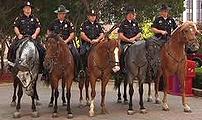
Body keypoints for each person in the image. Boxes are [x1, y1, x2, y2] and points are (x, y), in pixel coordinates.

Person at [7, 1, 45, 74]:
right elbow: (15, 27)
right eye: (26, 8)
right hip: (22, 37)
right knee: (12, 47)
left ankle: (42, 67)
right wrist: (18, 34)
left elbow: (38, 28)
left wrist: (35, 34)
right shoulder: (19, 18)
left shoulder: (35, 18)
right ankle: (11, 65)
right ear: (23, 9)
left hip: (32, 38)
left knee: (42, 49)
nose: (28, 9)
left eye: (29, 8)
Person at [47, 5, 80, 80]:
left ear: (65, 14)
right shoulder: (53, 23)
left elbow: (72, 34)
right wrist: (52, 38)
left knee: (76, 54)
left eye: (62, 13)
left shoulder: (68, 23)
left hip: (67, 43)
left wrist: (66, 41)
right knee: (47, 55)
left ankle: (76, 72)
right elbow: (49, 31)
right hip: (55, 44)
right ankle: (46, 73)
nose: (60, 15)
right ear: (57, 14)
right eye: (59, 14)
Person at [151, 4, 177, 91]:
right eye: (164, 11)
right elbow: (153, 29)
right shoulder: (158, 20)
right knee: (154, 51)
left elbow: (175, 29)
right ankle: (154, 64)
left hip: (169, 40)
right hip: (159, 39)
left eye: (166, 11)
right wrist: (160, 31)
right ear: (161, 12)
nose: (165, 13)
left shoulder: (171, 20)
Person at [118, 6, 141, 72]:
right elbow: (120, 35)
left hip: (134, 42)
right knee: (122, 53)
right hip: (125, 43)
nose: (131, 15)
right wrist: (128, 40)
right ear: (127, 15)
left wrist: (133, 39)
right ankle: (122, 68)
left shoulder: (135, 23)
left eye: (132, 14)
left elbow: (139, 33)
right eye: (130, 14)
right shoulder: (123, 23)